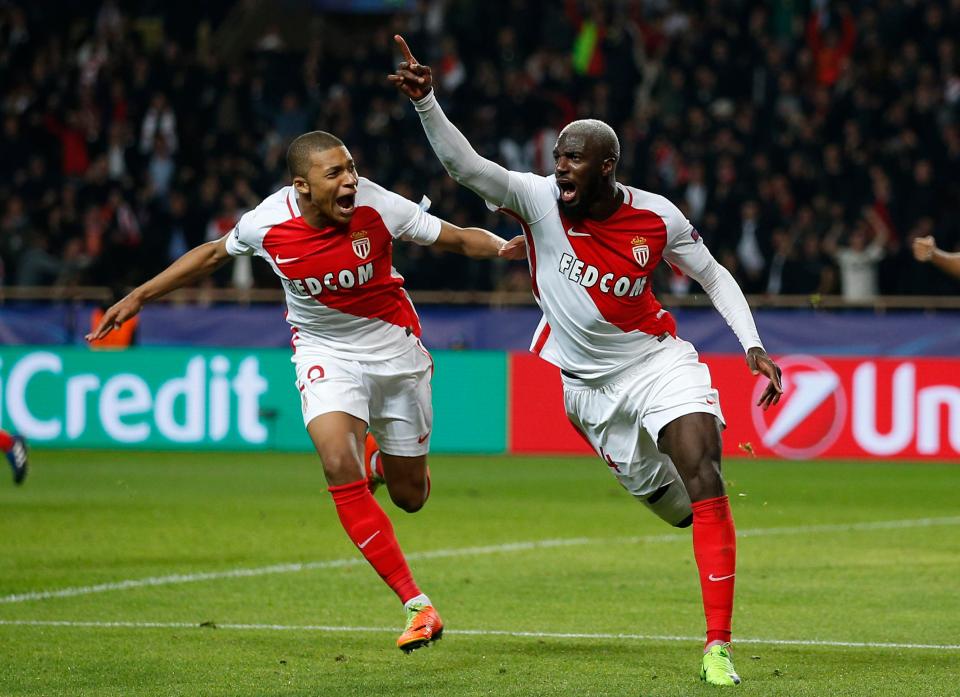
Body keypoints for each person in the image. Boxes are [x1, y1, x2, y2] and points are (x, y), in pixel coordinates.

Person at [390, 36, 782, 686]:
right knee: (679, 509)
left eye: (575, 158)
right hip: (590, 396)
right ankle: (688, 515)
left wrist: (752, 344)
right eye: (558, 156)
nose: (561, 166)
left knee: (704, 469)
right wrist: (427, 102)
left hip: (658, 362)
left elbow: (713, 276)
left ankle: (718, 645)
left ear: (607, 167)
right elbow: (468, 168)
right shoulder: (538, 200)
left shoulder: (657, 218)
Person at [88, 129, 525, 652]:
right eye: (335, 173)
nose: (350, 181)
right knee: (338, 463)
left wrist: (502, 248)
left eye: (351, 169)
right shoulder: (267, 223)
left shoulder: (378, 204)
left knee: (411, 497)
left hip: (396, 352)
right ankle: (418, 606)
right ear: (302, 186)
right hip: (325, 355)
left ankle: (384, 465)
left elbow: (452, 236)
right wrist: (138, 296)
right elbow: (209, 256)